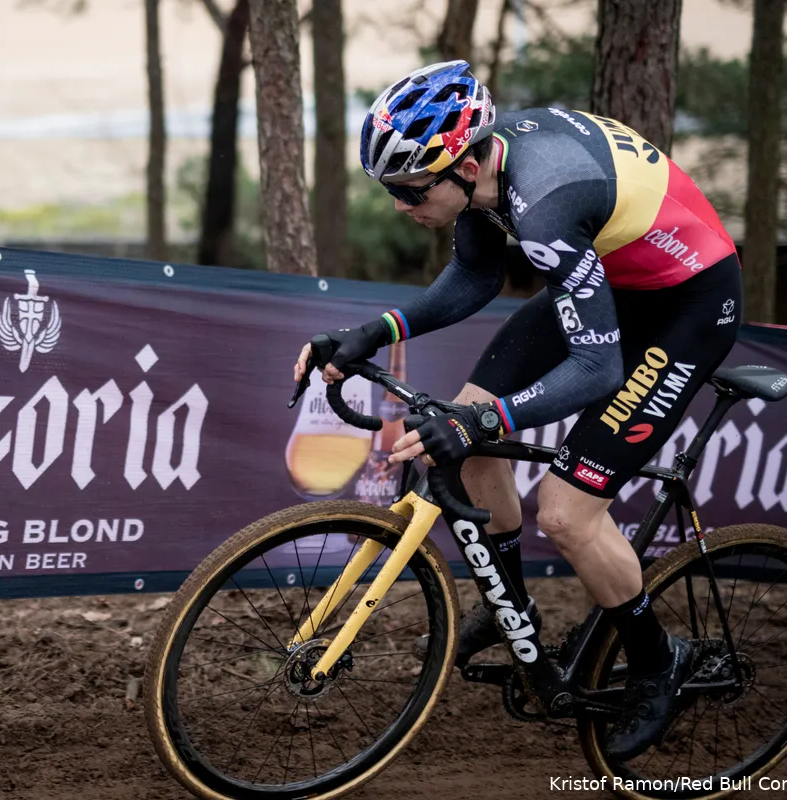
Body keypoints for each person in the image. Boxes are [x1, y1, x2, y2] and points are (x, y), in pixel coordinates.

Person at [293, 60, 743, 761]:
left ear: (466, 168)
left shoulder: (547, 203)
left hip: (688, 306)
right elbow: (475, 276)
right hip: (615, 281)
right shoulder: (486, 175)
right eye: (389, 189)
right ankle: (513, 613)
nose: (398, 206)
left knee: (565, 511)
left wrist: (482, 419)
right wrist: (373, 332)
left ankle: (660, 662)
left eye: (410, 190)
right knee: (465, 447)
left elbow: (597, 370)